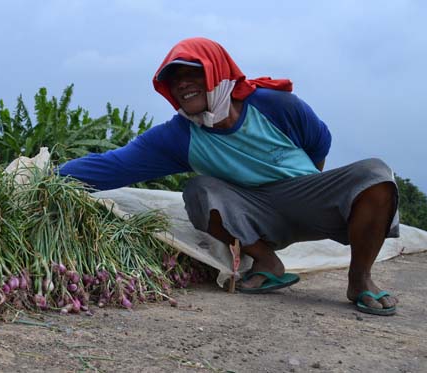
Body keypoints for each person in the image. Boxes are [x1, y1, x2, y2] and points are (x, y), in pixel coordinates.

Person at [58, 37, 400, 316]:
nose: (182, 85)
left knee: (375, 175)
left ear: (217, 74)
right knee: (199, 190)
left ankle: (360, 278)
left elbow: (318, 143)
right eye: (174, 80)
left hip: (306, 194)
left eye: (192, 74)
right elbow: (113, 165)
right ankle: (266, 261)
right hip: (253, 215)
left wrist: (307, 191)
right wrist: (44, 176)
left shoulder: (273, 104)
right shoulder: (180, 136)